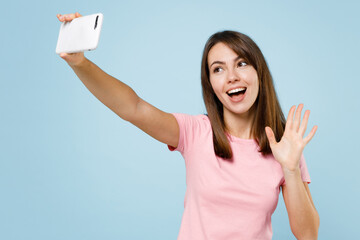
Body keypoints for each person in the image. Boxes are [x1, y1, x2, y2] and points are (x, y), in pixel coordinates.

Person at [57, 12, 320, 240]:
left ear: (259, 72)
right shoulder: (196, 132)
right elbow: (133, 108)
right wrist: (81, 63)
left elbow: (307, 234)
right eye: (218, 69)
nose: (231, 77)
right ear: (211, 85)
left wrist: (291, 168)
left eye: (241, 63)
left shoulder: (285, 147)